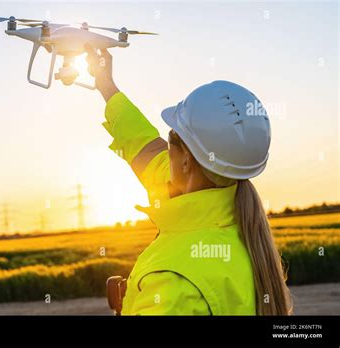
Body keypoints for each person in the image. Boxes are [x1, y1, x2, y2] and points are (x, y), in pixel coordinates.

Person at [84, 44, 292, 315]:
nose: (163, 147)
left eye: (170, 136)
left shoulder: (174, 285)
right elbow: (143, 146)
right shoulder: (239, 224)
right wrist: (106, 85)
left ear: (186, 160)